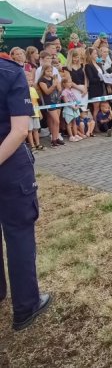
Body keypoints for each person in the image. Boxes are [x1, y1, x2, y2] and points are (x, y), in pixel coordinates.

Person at [0, 51, 52, 331]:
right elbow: (20, 130)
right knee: (19, 234)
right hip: (8, 165)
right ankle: (26, 306)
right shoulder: (9, 70)